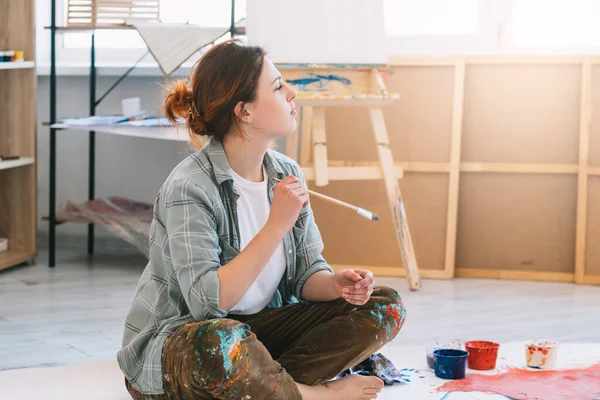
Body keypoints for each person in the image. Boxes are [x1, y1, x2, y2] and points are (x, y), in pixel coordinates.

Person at [117, 38, 406, 400]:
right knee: (222, 340)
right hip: (185, 345)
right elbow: (208, 306)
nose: (291, 93)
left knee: (384, 305)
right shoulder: (189, 188)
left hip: (255, 338)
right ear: (244, 112)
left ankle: (266, 388)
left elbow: (306, 275)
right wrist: (276, 226)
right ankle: (315, 395)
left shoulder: (285, 172)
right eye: (277, 86)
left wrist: (336, 284)